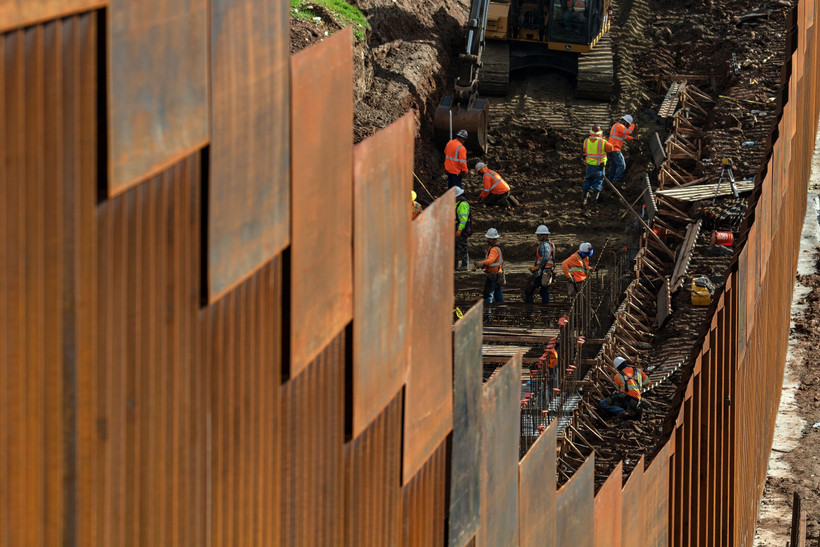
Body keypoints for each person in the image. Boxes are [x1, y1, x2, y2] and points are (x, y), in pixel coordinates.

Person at [582, 125, 614, 206]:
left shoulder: (586, 141)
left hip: (589, 166)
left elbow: (584, 150)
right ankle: (594, 201)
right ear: (600, 134)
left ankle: (584, 198)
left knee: (588, 180)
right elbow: (611, 149)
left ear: (590, 133)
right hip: (599, 167)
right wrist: (604, 140)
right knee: (598, 182)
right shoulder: (602, 142)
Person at [524, 225, 556, 305]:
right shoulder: (551, 244)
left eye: (539, 235)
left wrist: (538, 268)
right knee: (545, 292)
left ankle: (529, 309)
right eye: (537, 235)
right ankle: (545, 310)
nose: (537, 237)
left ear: (545, 235)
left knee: (529, 290)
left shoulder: (544, 245)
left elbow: (545, 258)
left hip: (543, 272)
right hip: (548, 272)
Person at [475, 228, 504, 304]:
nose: (487, 240)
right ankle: (501, 310)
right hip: (497, 274)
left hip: (492, 275)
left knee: (488, 294)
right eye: (487, 238)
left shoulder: (494, 249)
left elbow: (490, 260)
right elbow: (493, 262)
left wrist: (482, 263)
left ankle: (488, 311)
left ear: (494, 239)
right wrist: (482, 266)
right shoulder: (496, 248)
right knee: (498, 292)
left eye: (489, 238)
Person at [607, 115, 637, 184]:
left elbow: (624, 136)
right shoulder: (620, 126)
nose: (627, 126)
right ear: (626, 122)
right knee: (622, 165)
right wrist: (633, 124)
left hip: (610, 149)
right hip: (615, 149)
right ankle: (616, 180)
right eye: (628, 125)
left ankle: (610, 180)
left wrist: (632, 138)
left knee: (613, 165)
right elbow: (628, 131)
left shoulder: (616, 126)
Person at [454, 187, 472, 270]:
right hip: (457, 228)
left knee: (463, 247)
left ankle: (464, 265)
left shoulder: (462, 204)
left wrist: (459, 230)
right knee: (455, 247)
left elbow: (463, 220)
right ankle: (454, 265)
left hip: (462, 229)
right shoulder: (458, 203)